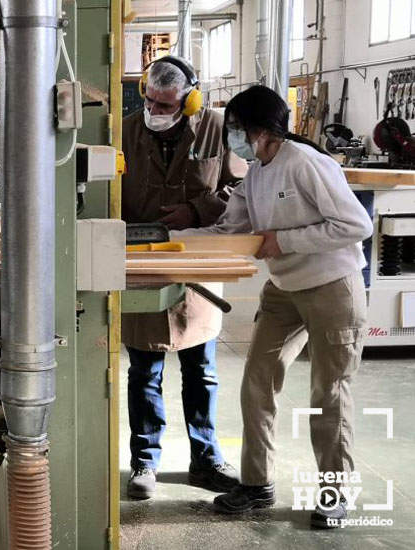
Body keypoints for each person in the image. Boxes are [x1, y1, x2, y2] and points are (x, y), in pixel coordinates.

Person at [176, 85, 372, 529]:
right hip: (284, 290)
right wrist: (168, 244)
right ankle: (257, 483)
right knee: (258, 383)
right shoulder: (258, 172)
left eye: (237, 130)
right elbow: (232, 230)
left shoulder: (306, 164)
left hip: (331, 288)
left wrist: (285, 241)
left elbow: (356, 224)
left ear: (262, 130)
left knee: (330, 394)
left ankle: (334, 494)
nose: (233, 140)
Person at [121, 56, 247, 499]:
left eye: (167, 105)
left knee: (201, 369)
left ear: (191, 100)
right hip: (142, 260)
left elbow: (239, 188)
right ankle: (144, 460)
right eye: (151, 101)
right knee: (144, 370)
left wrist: (195, 210)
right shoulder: (126, 130)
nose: (156, 111)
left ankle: (207, 458)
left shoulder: (217, 128)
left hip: (198, 258)